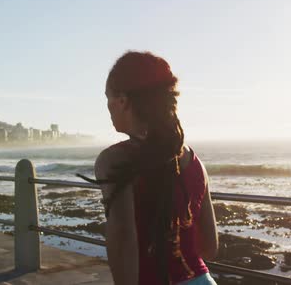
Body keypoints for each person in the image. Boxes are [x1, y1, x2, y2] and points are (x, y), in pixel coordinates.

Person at [79, 51, 218, 285]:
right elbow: (209, 247)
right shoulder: (193, 161)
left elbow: (123, 239)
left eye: (108, 98)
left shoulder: (114, 160)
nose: (108, 107)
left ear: (123, 100)